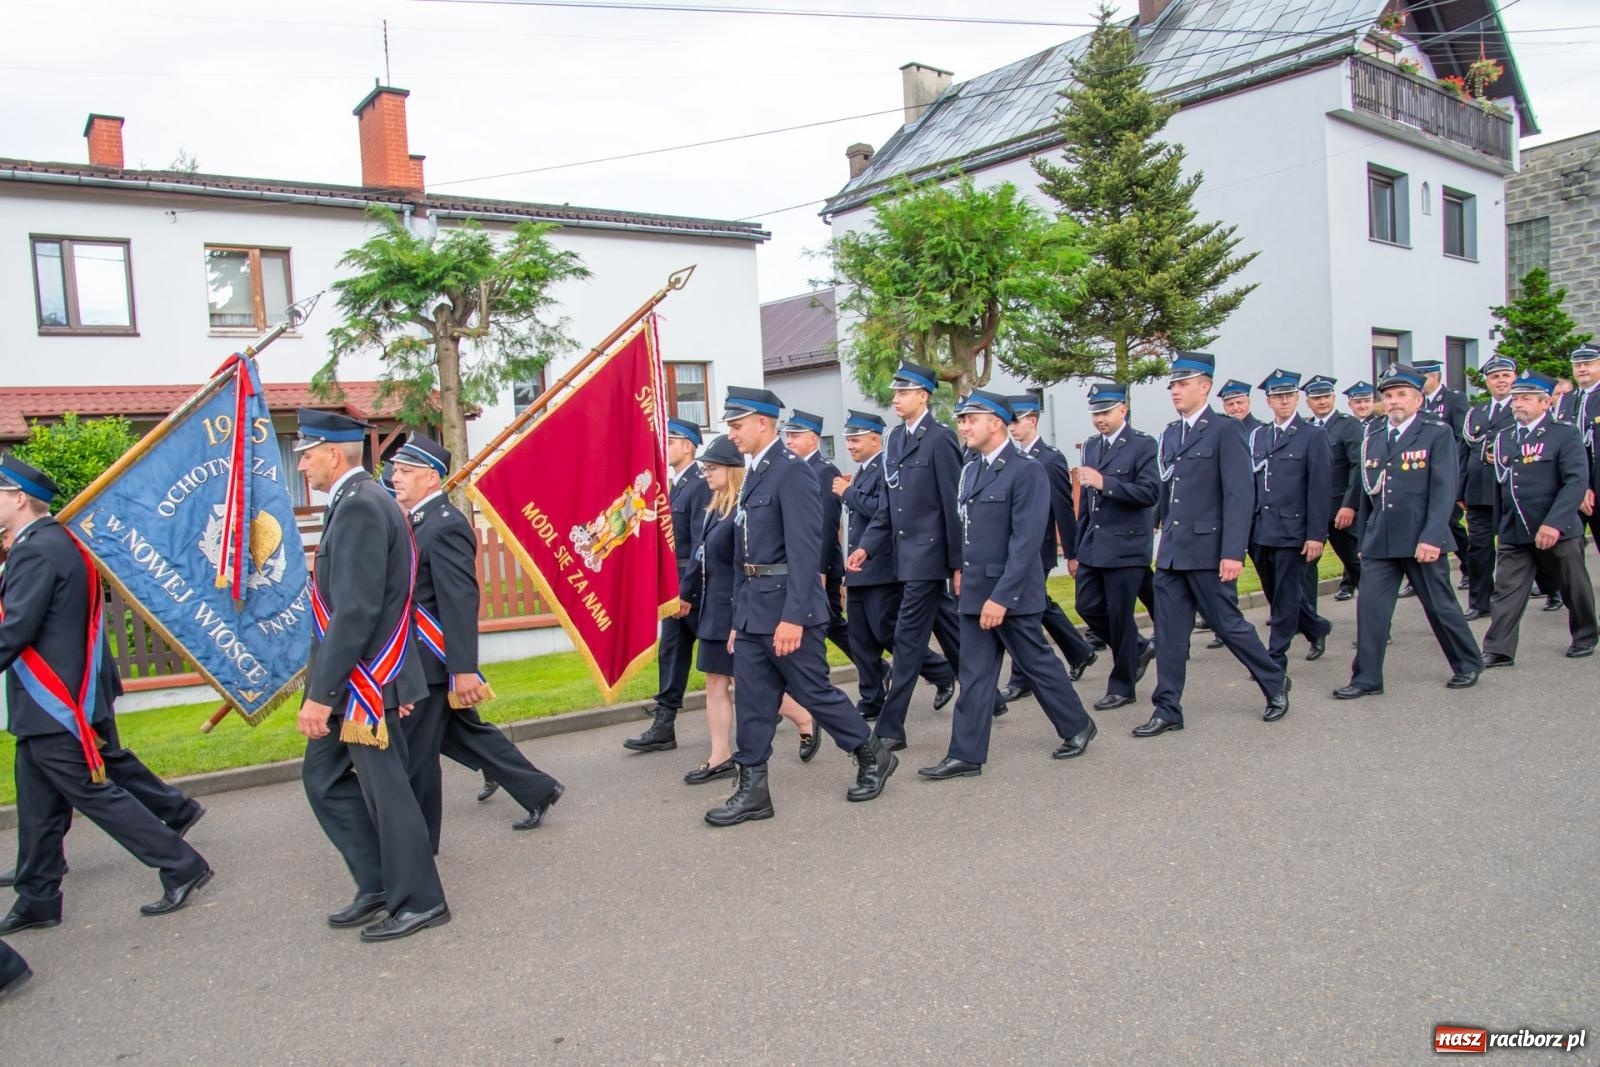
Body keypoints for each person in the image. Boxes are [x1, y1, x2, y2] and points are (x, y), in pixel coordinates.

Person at [0, 454, 212, 933]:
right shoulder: (59, 540)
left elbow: (16, 629)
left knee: (94, 793)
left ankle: (181, 863)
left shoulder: (35, 549)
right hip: (52, 703)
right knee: (38, 805)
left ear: (18, 499)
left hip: (53, 702)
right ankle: (36, 895)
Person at [704, 388, 895, 826]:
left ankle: (871, 754)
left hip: (789, 608)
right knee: (752, 700)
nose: (731, 433)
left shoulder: (791, 473)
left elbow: (806, 551)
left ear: (762, 424)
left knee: (814, 692)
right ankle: (753, 792)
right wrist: (738, 619)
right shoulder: (754, 472)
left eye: (736, 425)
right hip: (753, 610)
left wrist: (793, 616)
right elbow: (742, 555)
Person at [294, 410, 448, 942]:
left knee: (388, 792)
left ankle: (420, 899)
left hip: (360, 685)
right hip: (369, 678)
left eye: (307, 455)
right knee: (323, 777)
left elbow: (357, 610)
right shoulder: (362, 502)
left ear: (332, 454)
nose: (304, 466)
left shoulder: (360, 506)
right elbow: (387, 601)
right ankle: (380, 882)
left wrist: (322, 694)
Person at [389, 433, 565, 851]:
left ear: (431, 479)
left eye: (405, 472)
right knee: (461, 736)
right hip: (421, 656)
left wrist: (463, 668)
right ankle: (537, 788)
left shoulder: (446, 526)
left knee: (418, 756)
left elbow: (459, 601)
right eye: (396, 471)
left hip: (433, 661)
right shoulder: (417, 520)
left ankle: (416, 847)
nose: (395, 478)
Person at [919, 391, 1097, 779]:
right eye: (961, 419)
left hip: (1010, 594)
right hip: (976, 591)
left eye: (971, 419)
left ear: (996, 423)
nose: (962, 426)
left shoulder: (1026, 470)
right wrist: (961, 572)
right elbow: (969, 531)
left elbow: (1025, 541)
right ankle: (965, 753)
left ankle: (1077, 726)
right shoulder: (971, 470)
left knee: (1038, 666)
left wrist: (1002, 597)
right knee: (976, 673)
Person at [1135, 352, 1290, 737]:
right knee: (1169, 634)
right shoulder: (1171, 433)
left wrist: (1232, 552)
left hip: (1208, 552)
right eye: (1172, 384)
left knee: (1230, 625)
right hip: (1173, 552)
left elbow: (1239, 494)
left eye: (1183, 383)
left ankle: (1274, 682)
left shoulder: (1225, 430)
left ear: (1204, 386)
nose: (1175, 390)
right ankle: (1167, 708)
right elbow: (1169, 491)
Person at [847, 362, 998, 751]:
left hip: (929, 559)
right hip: (903, 556)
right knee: (947, 628)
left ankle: (890, 727)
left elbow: (952, 505)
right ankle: (990, 697)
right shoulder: (896, 439)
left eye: (904, 392)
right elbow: (889, 506)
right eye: (895, 393)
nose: (896, 399)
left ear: (924, 396)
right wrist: (867, 545)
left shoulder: (940, 439)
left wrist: (957, 563)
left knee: (908, 639)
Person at [1334, 366, 1483, 698]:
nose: (1394, 401)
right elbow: (1367, 491)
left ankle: (1467, 663)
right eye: (1388, 396)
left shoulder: (1436, 432)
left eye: (1402, 394)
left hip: (1420, 539)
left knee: (1440, 606)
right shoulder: (1373, 435)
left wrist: (1432, 537)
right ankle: (1366, 678)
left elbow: (1444, 490)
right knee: (1370, 611)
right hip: (1380, 539)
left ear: (1418, 398)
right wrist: (1363, 537)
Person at [682, 435, 820, 783]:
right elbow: (701, 558)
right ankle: (720, 756)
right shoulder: (714, 509)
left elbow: (748, 564)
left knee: (749, 684)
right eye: (704, 469)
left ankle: (803, 716)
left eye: (712, 468)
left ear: (732, 470)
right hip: (714, 608)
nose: (706, 475)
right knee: (718, 681)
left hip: (737, 607)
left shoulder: (741, 510)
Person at [832, 410, 955, 723]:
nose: (850, 445)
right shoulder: (862, 471)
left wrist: (848, 493)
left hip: (883, 567)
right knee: (859, 639)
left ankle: (941, 671)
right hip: (860, 568)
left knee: (890, 633)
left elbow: (882, 512)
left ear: (876, 439)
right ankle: (872, 697)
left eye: (856, 439)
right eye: (847, 439)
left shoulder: (884, 469)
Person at [1480, 371, 1597, 664]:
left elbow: (1575, 482)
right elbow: (1502, 483)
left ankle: (1585, 634)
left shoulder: (1564, 433)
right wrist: (1500, 525)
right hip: (1515, 528)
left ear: (1545, 403)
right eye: (1516, 398)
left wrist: (1554, 523)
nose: (1518, 403)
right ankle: (1498, 649)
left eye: (1526, 398)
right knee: (1506, 590)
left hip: (1556, 528)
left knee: (1573, 586)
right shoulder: (1504, 437)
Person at [997, 394, 1098, 702]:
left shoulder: (1049, 458)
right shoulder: (1013, 458)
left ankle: (1022, 676)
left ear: (1033, 421)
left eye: (1017, 422)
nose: (1013, 428)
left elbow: (1063, 509)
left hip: (1038, 548)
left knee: (1022, 609)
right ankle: (1079, 651)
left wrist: (1071, 552)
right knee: (1039, 604)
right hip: (1017, 548)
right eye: (1010, 423)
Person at [1070, 383, 1159, 711]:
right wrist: (1077, 548)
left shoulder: (1142, 445)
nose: (1099, 419)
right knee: (1087, 606)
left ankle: (1123, 686)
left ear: (1123, 410)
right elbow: (1085, 505)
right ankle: (1137, 648)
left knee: (1121, 617)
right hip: (1095, 543)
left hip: (1126, 546)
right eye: (1095, 413)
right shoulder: (1092, 447)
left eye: (1105, 412)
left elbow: (1150, 493)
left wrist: (1107, 483)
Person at [626, 418, 710, 753]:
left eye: (671, 441)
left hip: (693, 586)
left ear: (688, 446)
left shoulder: (700, 484)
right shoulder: (674, 485)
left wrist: (686, 591)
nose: (666, 447)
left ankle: (791, 707)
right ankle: (664, 726)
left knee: (728, 658)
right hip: (674, 585)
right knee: (671, 653)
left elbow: (700, 543)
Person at [1248, 369, 1332, 669]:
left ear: (1297, 399)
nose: (1284, 401)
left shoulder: (1313, 436)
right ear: (1268, 401)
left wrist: (1316, 535)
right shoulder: (1258, 436)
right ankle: (1315, 626)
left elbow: (1320, 489)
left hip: (1293, 528)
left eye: (1289, 396)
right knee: (1275, 591)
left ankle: (1275, 657)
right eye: (1277, 397)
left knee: (1284, 597)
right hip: (1260, 529)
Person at [781, 410, 852, 659]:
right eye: (788, 436)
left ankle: (874, 668)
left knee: (830, 623)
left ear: (813, 439)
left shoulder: (823, 471)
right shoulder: (796, 468)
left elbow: (826, 524)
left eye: (795, 436)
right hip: (808, 566)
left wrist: (820, 570)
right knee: (830, 624)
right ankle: (875, 669)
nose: (789, 441)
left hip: (823, 567)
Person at [1459, 356, 1520, 620]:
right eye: (1495, 377)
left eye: (1506, 376)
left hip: (1510, 490)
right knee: (1479, 548)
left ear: (1514, 379)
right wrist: (1459, 491)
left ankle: (1552, 589)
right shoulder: (1476, 412)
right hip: (1479, 492)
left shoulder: (1522, 407)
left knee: (1523, 547)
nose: (1501, 381)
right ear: (1487, 381)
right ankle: (1479, 600)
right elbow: (1464, 452)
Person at [1302, 375, 1363, 603]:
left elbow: (1358, 467)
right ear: (1308, 401)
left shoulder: (1348, 425)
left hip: (1340, 511)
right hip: (1313, 513)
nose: (1322, 402)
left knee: (1357, 566)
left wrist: (1349, 505)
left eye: (1326, 396)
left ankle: (1376, 625)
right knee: (1305, 567)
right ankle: (1306, 622)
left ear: (1334, 397)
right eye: (1316, 398)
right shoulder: (1306, 427)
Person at [1414, 357, 1470, 591]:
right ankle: (1419, 576)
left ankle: (1469, 566)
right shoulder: (1419, 402)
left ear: (1434, 376)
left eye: (1422, 378)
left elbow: (1460, 437)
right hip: (1421, 472)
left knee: (1450, 522)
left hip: (1447, 469)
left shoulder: (1454, 399)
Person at [1557, 345, 1600, 557]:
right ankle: (1570, 591)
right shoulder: (1566, 400)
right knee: (1568, 549)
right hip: (1572, 486)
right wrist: (1580, 486)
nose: (1582, 369)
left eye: (1588, 364)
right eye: (1577, 365)